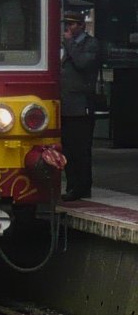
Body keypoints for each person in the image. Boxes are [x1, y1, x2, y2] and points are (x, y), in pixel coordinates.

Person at [60, 11, 99, 202]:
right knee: (67, 148)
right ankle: (72, 184)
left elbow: (83, 64)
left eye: (73, 24)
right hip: (65, 106)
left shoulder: (90, 44)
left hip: (81, 106)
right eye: (67, 23)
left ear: (82, 26)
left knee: (80, 149)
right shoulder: (66, 45)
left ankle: (83, 187)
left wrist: (69, 43)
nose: (69, 27)